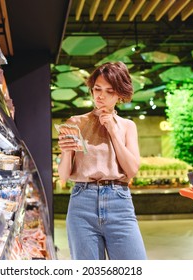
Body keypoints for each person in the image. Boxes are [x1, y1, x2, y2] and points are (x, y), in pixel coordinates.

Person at [57, 61, 147, 260]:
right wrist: (64, 152)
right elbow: (63, 176)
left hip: (119, 202)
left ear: (120, 95)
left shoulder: (127, 126)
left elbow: (131, 170)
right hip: (82, 202)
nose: (101, 96)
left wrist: (114, 132)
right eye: (97, 89)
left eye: (109, 91)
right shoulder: (76, 122)